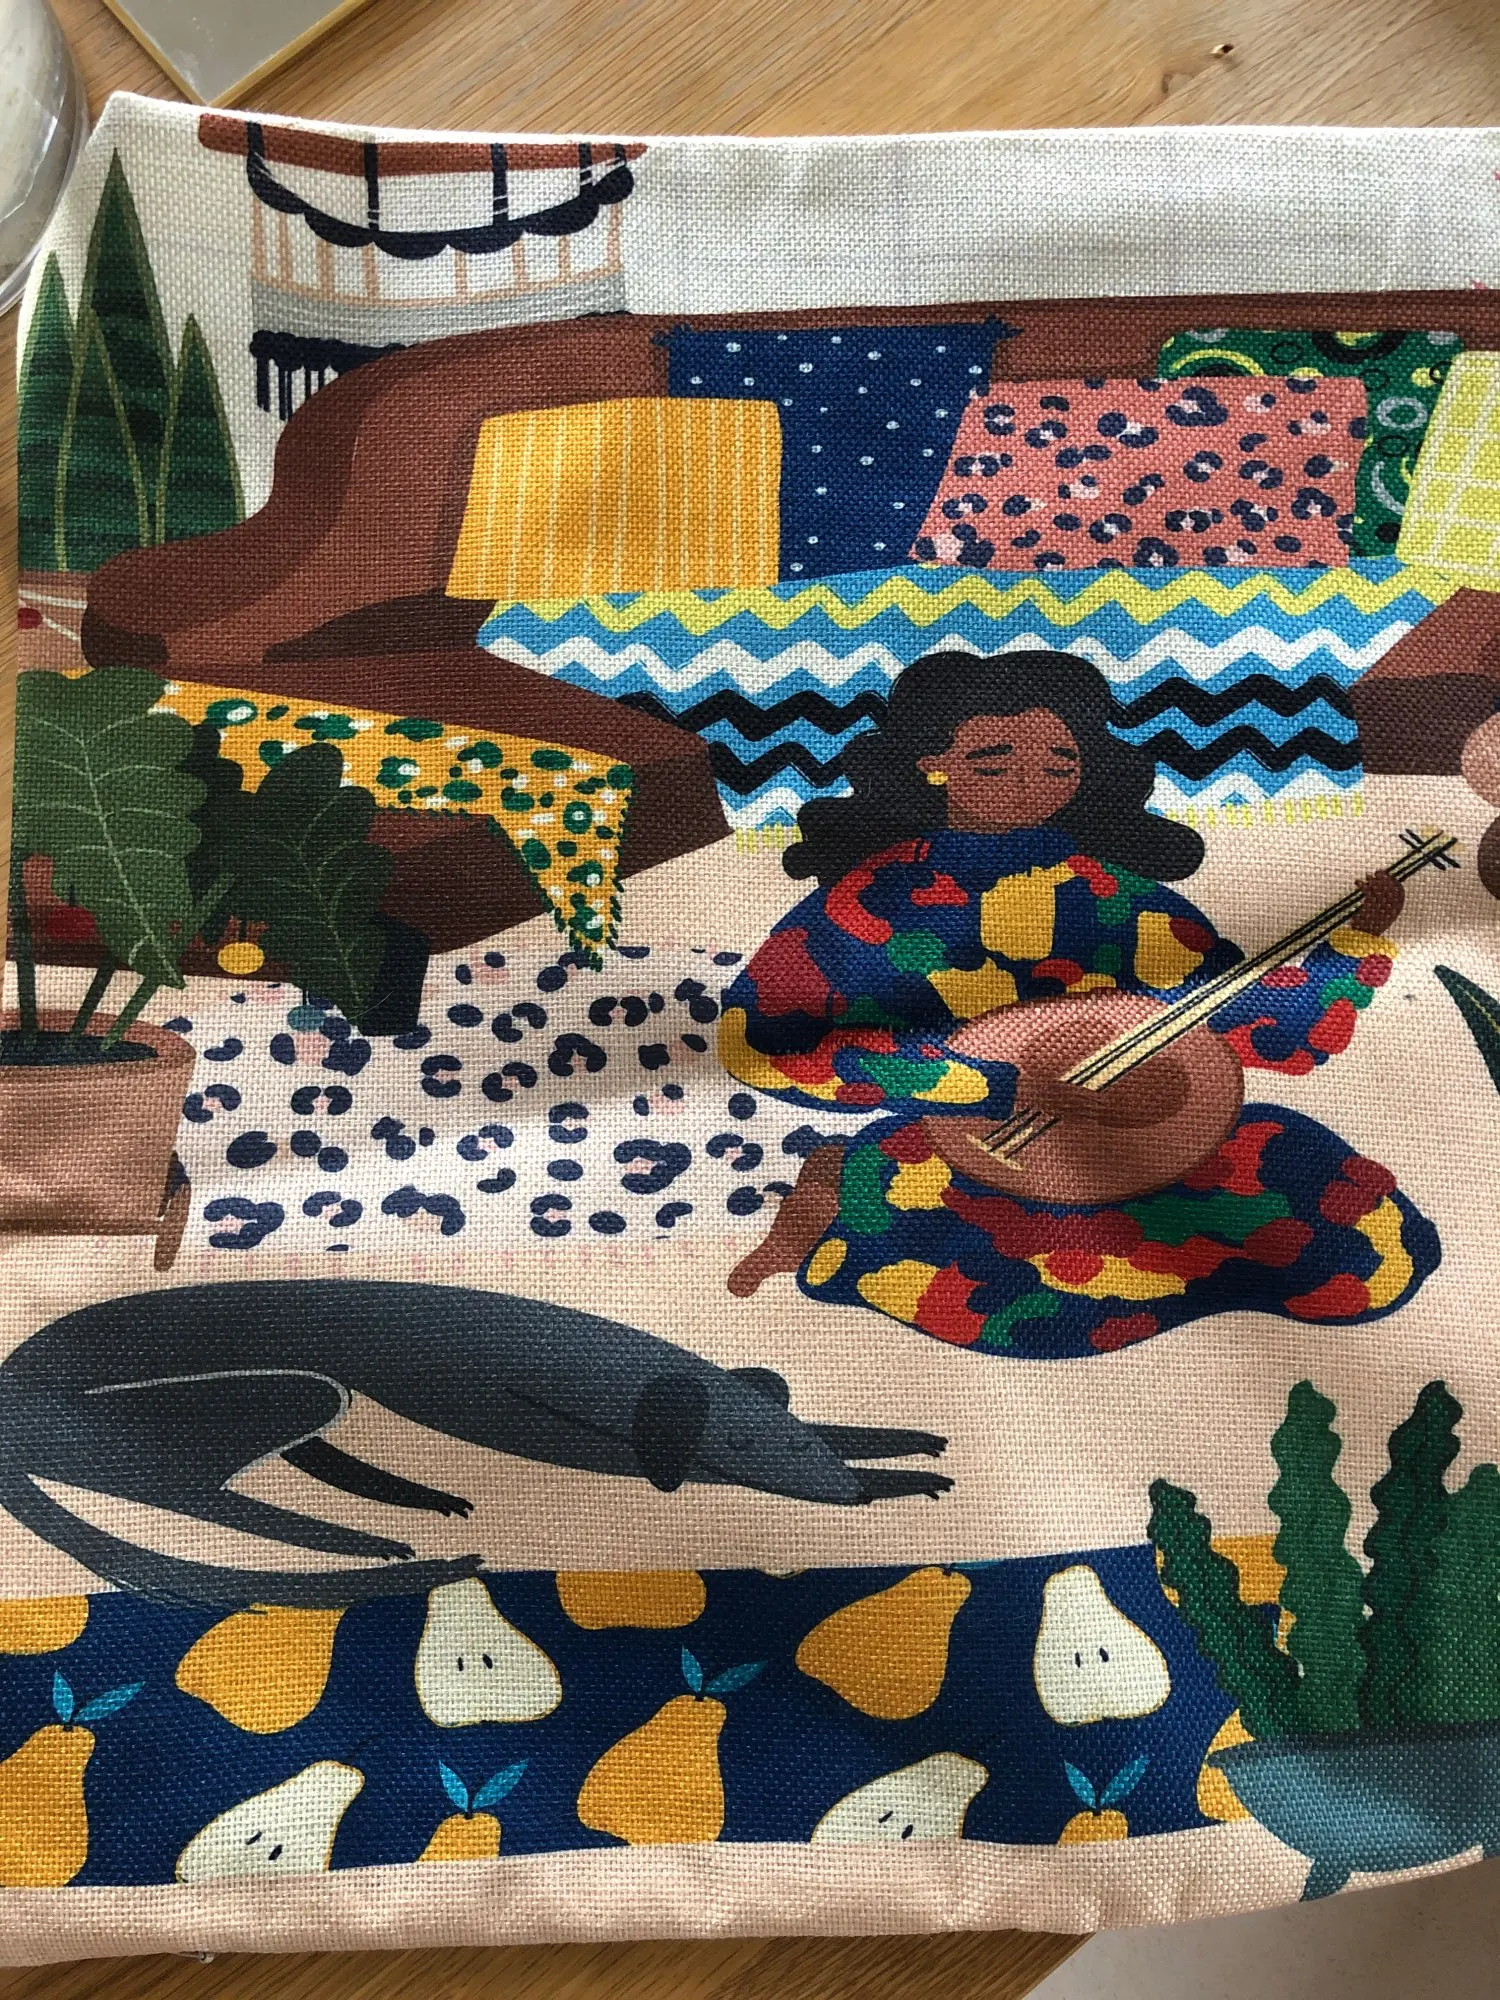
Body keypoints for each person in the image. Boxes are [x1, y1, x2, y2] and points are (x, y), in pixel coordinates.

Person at [719, 650, 1439, 1359]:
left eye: (1059, 763)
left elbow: (1247, 1028)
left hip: (1154, 1143)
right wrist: (988, 1084)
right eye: (994, 761)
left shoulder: (1113, 892)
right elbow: (761, 1046)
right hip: (967, 1155)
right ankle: (842, 1194)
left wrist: (1352, 947)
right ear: (931, 764)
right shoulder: (870, 902)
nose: (1030, 781)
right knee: (1016, 1304)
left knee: (1369, 1252)